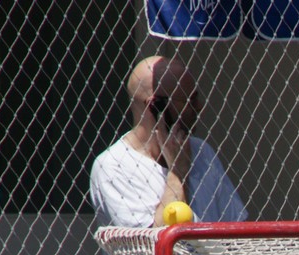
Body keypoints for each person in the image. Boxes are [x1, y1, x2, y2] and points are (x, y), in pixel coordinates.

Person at [89, 55, 247, 228]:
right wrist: (177, 172)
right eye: (189, 100)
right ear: (156, 106)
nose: (199, 106)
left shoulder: (202, 151)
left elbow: (235, 225)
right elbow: (153, 240)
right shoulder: (114, 167)